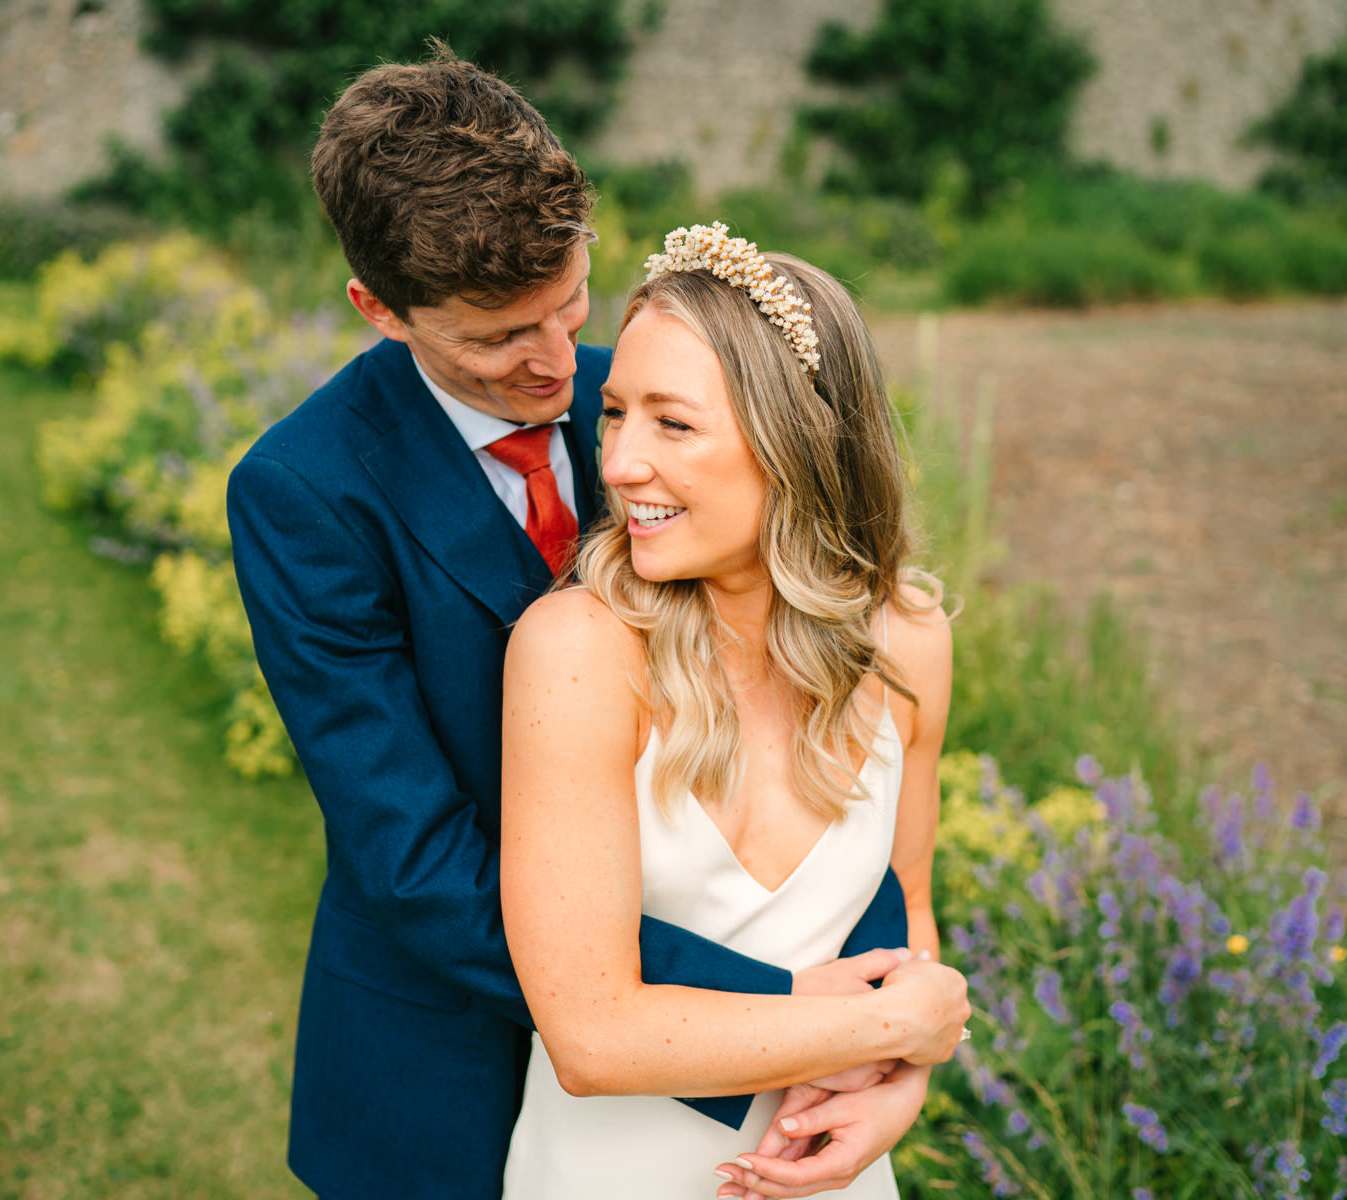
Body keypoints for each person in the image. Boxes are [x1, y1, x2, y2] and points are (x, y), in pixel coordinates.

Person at [226, 53, 958, 1200]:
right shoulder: (306, 492)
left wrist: (887, 1053)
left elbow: (838, 791)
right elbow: (414, 860)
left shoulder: (659, 410)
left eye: (570, 301)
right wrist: (783, 1004)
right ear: (379, 311)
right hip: (454, 1049)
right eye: (501, 336)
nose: (561, 367)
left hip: (761, 1082)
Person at [500, 225, 964, 1199]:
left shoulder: (909, 640)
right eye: (615, 413)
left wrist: (895, 1097)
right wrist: (900, 1032)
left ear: (797, 439)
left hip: (824, 1166)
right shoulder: (579, 650)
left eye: (672, 424)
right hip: (608, 1171)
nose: (619, 463)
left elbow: (907, 920)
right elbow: (591, 1036)